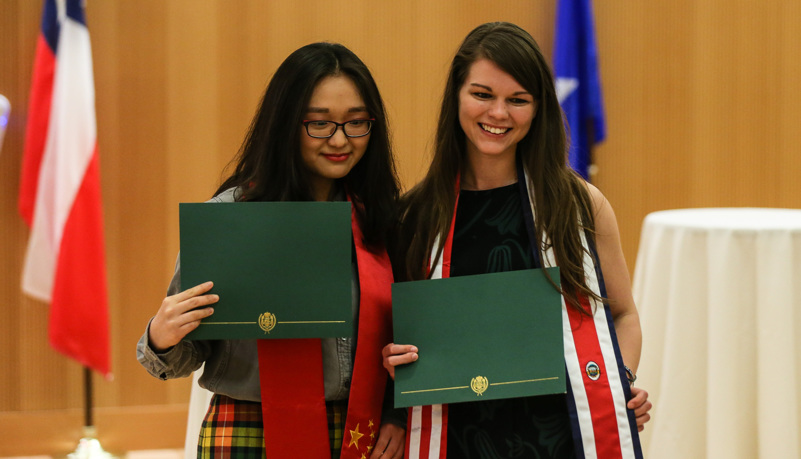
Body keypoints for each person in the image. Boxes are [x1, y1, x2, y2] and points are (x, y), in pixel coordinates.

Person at [382, 22, 651, 458]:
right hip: (453, 439)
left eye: (518, 100)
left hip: (562, 439)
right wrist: (393, 359)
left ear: (539, 108)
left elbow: (623, 315)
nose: (498, 114)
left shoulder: (581, 205)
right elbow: (391, 337)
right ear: (456, 96)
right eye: (483, 95)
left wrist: (619, 383)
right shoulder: (413, 217)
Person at [137, 42, 406, 459]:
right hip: (246, 431)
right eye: (319, 124)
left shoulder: (382, 222)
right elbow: (182, 357)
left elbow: (406, 341)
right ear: (285, 124)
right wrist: (161, 337)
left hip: (358, 433)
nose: (340, 139)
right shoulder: (229, 219)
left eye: (356, 123)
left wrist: (394, 414)